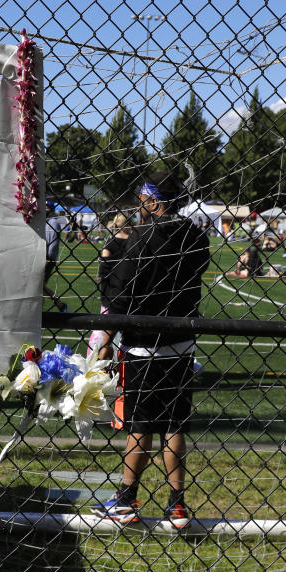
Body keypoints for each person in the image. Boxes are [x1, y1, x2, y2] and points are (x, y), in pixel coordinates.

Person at [91, 171, 211, 528]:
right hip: (181, 343)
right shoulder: (194, 235)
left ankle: (127, 498)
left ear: (153, 200)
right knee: (174, 425)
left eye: (142, 199)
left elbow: (119, 296)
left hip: (143, 346)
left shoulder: (141, 239)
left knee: (140, 425)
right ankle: (177, 506)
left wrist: (106, 340)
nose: (138, 206)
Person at [87, 213, 132, 356]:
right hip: (130, 289)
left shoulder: (111, 242)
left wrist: (101, 278)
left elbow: (103, 267)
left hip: (111, 291)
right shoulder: (134, 242)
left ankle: (97, 356)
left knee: (105, 327)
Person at [44, 203, 69, 312]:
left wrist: (48, 259)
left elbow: (53, 244)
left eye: (46, 207)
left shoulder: (53, 223)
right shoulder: (44, 220)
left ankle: (61, 305)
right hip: (42, 256)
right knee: (39, 287)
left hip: (48, 258)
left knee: (39, 286)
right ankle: (60, 305)